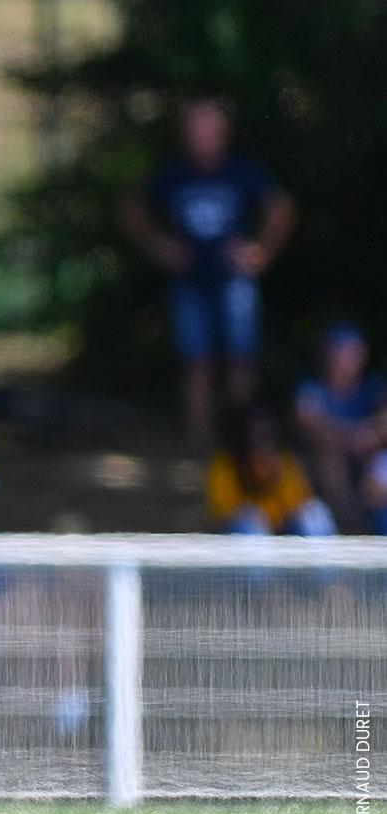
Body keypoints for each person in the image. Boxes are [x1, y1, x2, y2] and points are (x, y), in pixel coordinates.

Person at [120, 96, 294, 449]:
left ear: (222, 132)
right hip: (189, 283)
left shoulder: (241, 170)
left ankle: (239, 440)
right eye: (193, 129)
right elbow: (130, 207)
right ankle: (200, 444)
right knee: (196, 365)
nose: (199, 136)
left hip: (234, 282)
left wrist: (261, 250)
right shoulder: (173, 171)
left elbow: (281, 209)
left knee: (239, 364)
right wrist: (159, 246)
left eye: (206, 128)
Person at [293, 322, 387, 532]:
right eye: (336, 351)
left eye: (348, 352)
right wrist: (352, 437)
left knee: (382, 462)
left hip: (366, 470)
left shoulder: (373, 387)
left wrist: (370, 435)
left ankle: (370, 520)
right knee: (326, 456)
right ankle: (348, 521)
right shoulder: (311, 388)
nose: (341, 360)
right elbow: (308, 424)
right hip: (324, 478)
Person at [206, 406, 334, 536]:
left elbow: (299, 505)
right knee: (249, 525)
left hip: (282, 532)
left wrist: (273, 475)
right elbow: (221, 515)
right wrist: (251, 515)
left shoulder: (283, 461)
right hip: (241, 538)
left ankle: (321, 556)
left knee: (317, 512)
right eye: (254, 435)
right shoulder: (224, 464)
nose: (261, 442)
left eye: (266, 434)